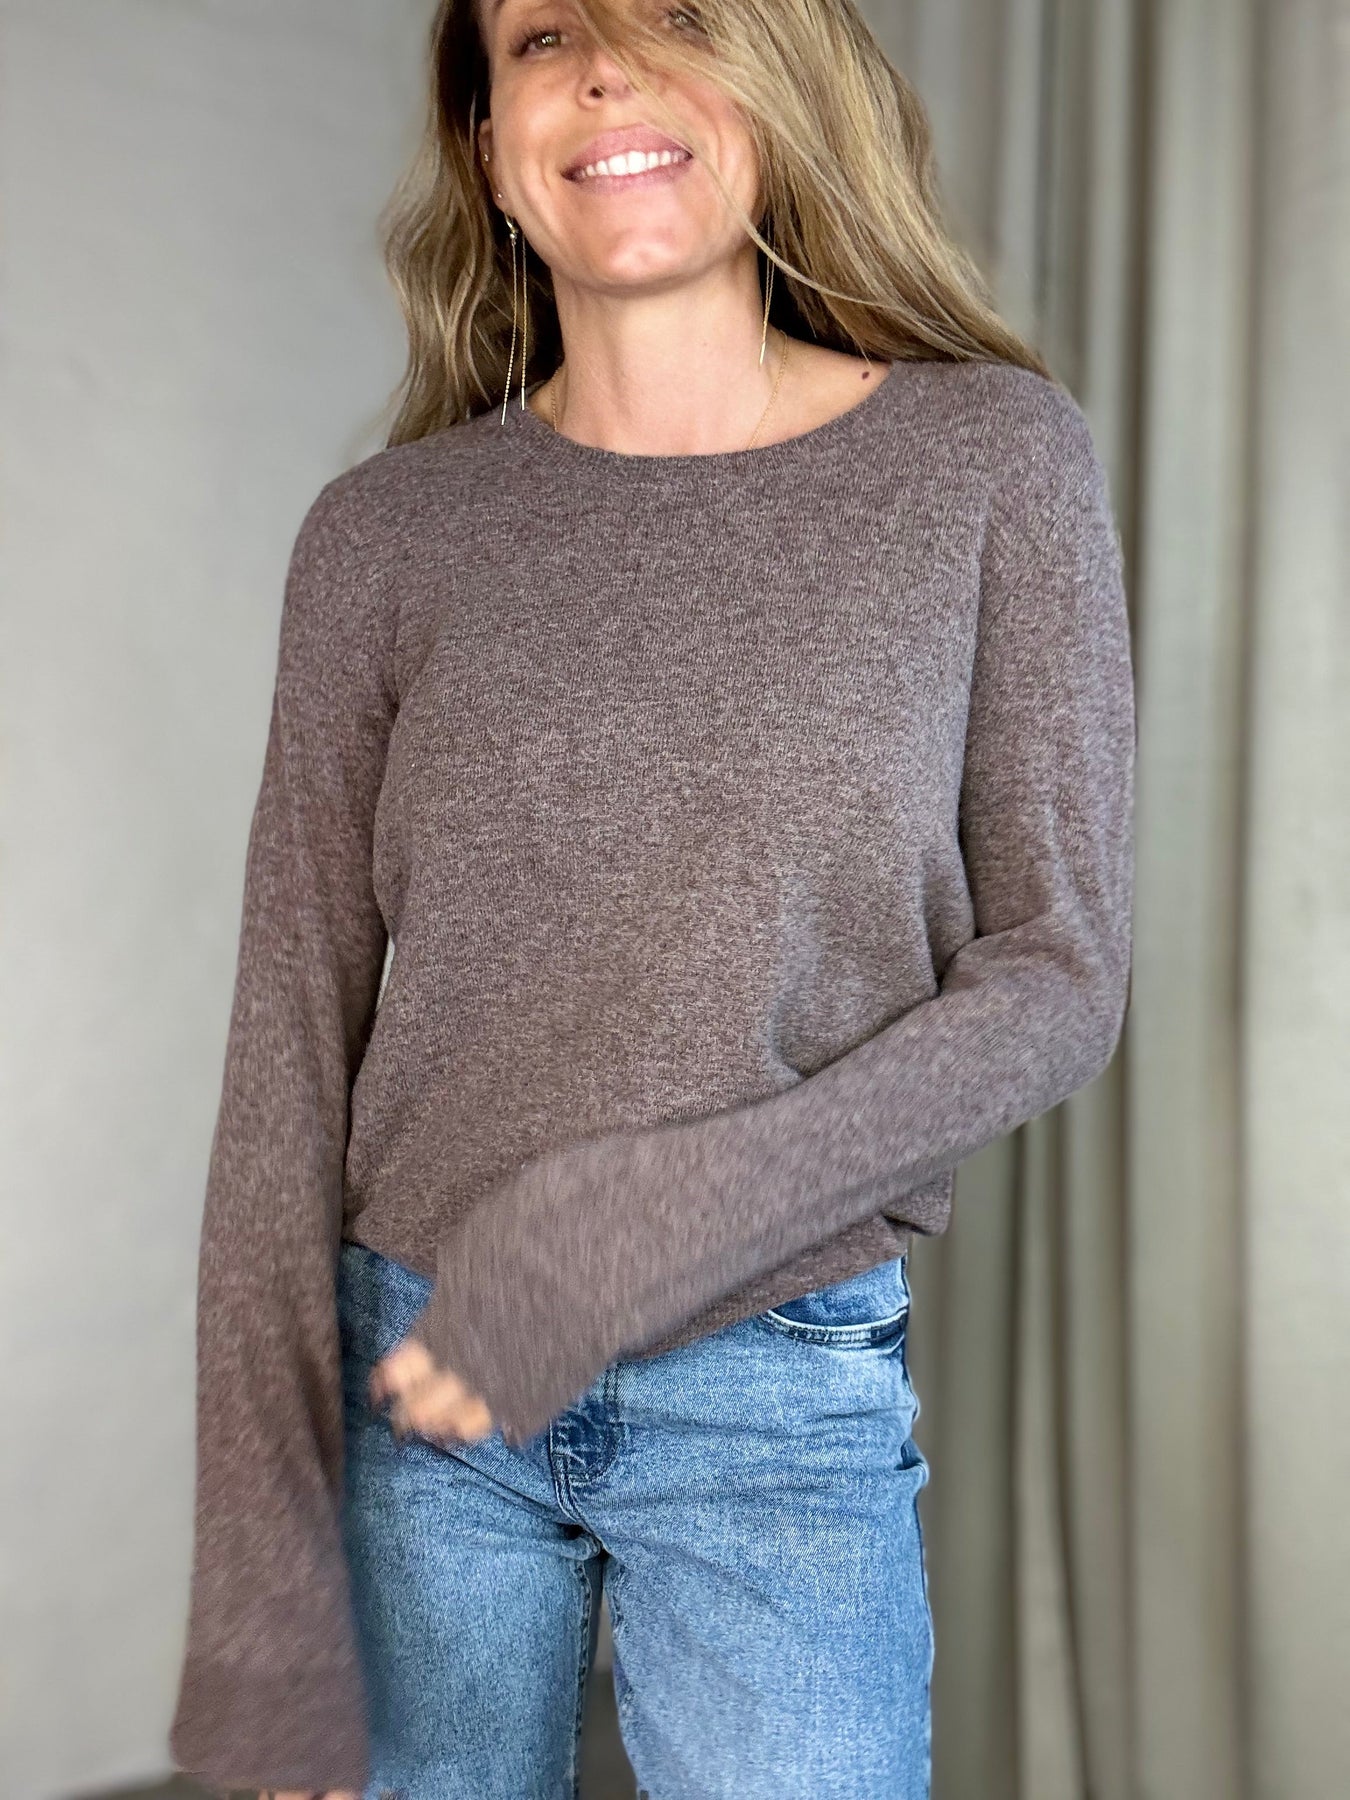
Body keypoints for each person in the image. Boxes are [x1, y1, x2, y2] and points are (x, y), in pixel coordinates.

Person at [168, 0, 1136, 1796]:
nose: (606, 68)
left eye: (673, 16)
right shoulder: (383, 539)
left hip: (776, 1394)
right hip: (420, 1389)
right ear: (490, 150)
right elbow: (286, 1056)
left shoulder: (990, 463)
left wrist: (634, 1230)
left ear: (779, 89)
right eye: (544, 35)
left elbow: (1056, 974)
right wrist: (258, 1607)